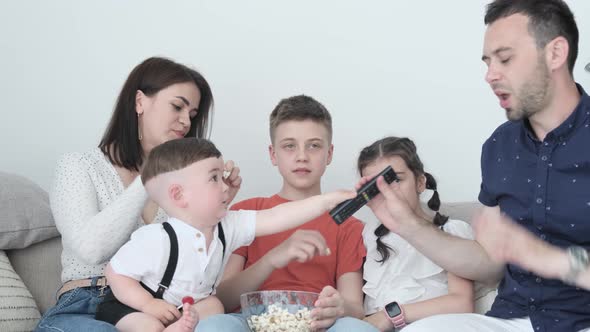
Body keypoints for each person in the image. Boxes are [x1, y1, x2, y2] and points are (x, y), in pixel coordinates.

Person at [364, 1, 590, 331]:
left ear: (555, 54)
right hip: (510, 319)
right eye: (487, 62)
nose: (490, 75)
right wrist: (407, 224)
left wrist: (547, 258)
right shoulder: (500, 146)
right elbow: (488, 266)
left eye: (506, 58)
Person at [35, 57, 243, 332]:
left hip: (163, 308)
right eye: (177, 106)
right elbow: (90, 249)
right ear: (139, 102)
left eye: (192, 115)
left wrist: (217, 202)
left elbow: (197, 269)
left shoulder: (183, 186)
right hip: (87, 304)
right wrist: (152, 173)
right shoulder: (78, 166)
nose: (184, 122)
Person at [93, 137, 356, 332]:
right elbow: (116, 273)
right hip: (135, 305)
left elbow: (277, 217)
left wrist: (326, 201)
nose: (226, 185)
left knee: (214, 307)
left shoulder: (228, 226)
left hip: (185, 307)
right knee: (147, 326)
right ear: (178, 195)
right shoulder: (156, 238)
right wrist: (148, 305)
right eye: (214, 178)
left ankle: (177, 327)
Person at [197, 95, 378, 331]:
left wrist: (339, 307)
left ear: (329, 154)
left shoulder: (349, 225)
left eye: (314, 145)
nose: (302, 156)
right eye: (289, 146)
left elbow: (355, 306)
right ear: (273, 154)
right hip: (251, 320)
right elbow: (224, 298)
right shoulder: (248, 211)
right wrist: (273, 259)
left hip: (318, 324)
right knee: (213, 326)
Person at [357, 137, 474, 331]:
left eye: (395, 180)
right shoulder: (369, 234)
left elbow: (462, 303)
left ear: (420, 182)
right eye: (375, 187)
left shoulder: (452, 231)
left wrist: (389, 316)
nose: (388, 192)